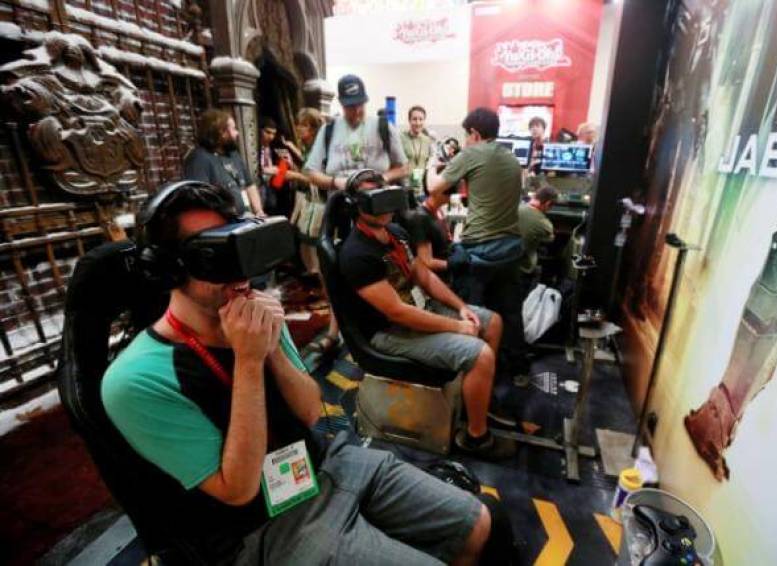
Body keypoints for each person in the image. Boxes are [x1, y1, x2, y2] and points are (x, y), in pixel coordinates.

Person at [101, 182, 500, 565]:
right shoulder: (135, 379)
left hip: (319, 464)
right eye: (213, 254)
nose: (237, 269)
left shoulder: (256, 316)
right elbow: (237, 490)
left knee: (477, 525)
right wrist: (248, 360)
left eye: (234, 242)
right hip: (258, 527)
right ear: (169, 271)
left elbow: (311, 412)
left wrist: (270, 345)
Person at [339, 170, 515, 460]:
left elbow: (424, 277)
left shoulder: (396, 233)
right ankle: (475, 438)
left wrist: (461, 308)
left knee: (492, 322)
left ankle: (480, 403)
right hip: (389, 332)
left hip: (419, 310)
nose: (382, 207)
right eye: (372, 199)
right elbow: (398, 313)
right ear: (356, 205)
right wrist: (457, 328)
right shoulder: (356, 254)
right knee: (480, 354)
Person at [303, 74, 409, 354]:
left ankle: (390, 321)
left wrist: (377, 181)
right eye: (350, 106)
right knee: (335, 268)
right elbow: (311, 172)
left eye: (360, 103)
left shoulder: (383, 127)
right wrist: (338, 183)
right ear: (341, 103)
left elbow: (403, 167)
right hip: (341, 208)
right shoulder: (329, 130)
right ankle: (337, 330)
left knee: (384, 264)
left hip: (378, 210)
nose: (357, 111)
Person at [426, 107, 528, 384]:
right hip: (510, 249)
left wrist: (430, 165)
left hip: (481, 251)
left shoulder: (472, 152)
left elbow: (435, 187)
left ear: (474, 133)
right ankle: (516, 371)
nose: (466, 140)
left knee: (471, 311)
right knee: (509, 311)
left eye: (466, 135)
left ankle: (471, 374)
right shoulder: (511, 157)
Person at [184, 109, 264, 217]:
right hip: (224, 225)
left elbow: (249, 185)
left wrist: (259, 211)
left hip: (246, 219)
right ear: (222, 132)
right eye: (234, 129)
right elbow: (200, 199)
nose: (237, 133)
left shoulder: (233, 154)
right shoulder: (199, 159)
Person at [289, 107, 325, 276]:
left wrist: (294, 174)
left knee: (313, 242)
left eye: (302, 125)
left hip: (321, 202)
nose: (298, 128)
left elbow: (318, 178)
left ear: (312, 128)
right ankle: (313, 273)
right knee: (305, 240)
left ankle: (318, 276)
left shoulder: (320, 149)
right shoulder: (308, 147)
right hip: (310, 200)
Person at [518, 186, 557, 297]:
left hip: (502, 263)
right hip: (522, 268)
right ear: (548, 204)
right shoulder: (544, 223)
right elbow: (550, 239)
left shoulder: (515, 207)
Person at [401, 105, 434, 195]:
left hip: (421, 190)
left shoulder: (427, 140)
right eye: (414, 119)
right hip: (404, 189)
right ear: (409, 120)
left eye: (421, 119)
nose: (418, 122)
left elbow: (431, 160)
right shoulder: (401, 138)